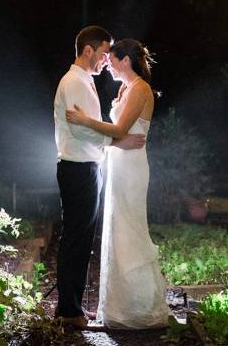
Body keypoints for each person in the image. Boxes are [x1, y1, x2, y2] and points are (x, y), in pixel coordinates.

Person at [66, 38, 170, 329]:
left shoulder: (140, 89)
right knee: (116, 229)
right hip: (118, 164)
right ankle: (120, 307)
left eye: (112, 60)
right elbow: (118, 136)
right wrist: (115, 143)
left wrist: (84, 120)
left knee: (130, 230)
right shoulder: (125, 89)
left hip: (133, 168)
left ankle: (141, 308)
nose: (108, 65)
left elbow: (120, 129)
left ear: (126, 60)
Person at [53, 26, 147, 330]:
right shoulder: (75, 82)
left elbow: (90, 125)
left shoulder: (84, 80)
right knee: (76, 239)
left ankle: (73, 307)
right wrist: (117, 143)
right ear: (89, 50)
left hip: (86, 166)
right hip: (79, 167)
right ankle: (68, 312)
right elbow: (81, 129)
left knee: (80, 239)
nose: (106, 61)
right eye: (104, 53)